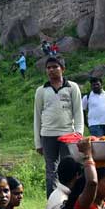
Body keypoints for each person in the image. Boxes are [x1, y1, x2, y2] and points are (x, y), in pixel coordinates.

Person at [34, 57, 83, 196]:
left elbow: (78, 112)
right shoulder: (41, 90)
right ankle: (52, 201)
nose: (51, 70)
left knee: (69, 168)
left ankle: (70, 201)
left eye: (55, 67)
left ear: (62, 69)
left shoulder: (72, 87)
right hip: (47, 135)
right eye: (48, 67)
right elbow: (37, 117)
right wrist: (38, 142)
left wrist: (78, 134)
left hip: (68, 135)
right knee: (51, 170)